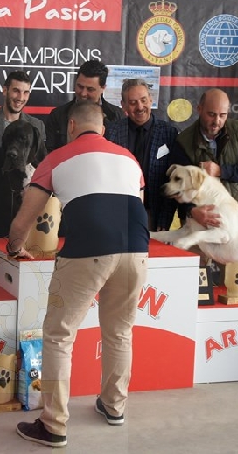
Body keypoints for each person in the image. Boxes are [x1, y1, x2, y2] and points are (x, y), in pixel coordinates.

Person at [8, 101, 149, 448]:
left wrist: (14, 246)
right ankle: (114, 406)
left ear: (71, 126)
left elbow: (26, 217)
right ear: (103, 129)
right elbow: (137, 203)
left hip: (89, 248)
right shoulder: (129, 159)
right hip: (136, 250)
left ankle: (53, 424)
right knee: (120, 332)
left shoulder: (57, 158)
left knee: (59, 335)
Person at [171, 88, 238, 227]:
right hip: (200, 223)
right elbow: (179, 187)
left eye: (222, 115)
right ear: (199, 109)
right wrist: (192, 211)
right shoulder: (183, 142)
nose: (217, 121)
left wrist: (220, 171)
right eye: (211, 114)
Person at [105, 78, 179, 231]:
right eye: (133, 103)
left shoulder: (168, 133)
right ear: (123, 105)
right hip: (117, 210)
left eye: (143, 100)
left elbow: (171, 180)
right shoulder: (111, 132)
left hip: (152, 213)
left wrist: (164, 220)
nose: (140, 107)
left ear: (151, 99)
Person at [0, 70, 45, 237]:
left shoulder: (37, 125)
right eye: (16, 91)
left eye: (25, 92)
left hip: (28, 204)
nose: (20, 97)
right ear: (5, 90)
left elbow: (42, 162)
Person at [45, 59, 124, 153]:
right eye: (80, 86)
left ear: (103, 88)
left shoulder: (117, 116)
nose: (83, 93)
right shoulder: (57, 115)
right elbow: (50, 153)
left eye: (90, 89)